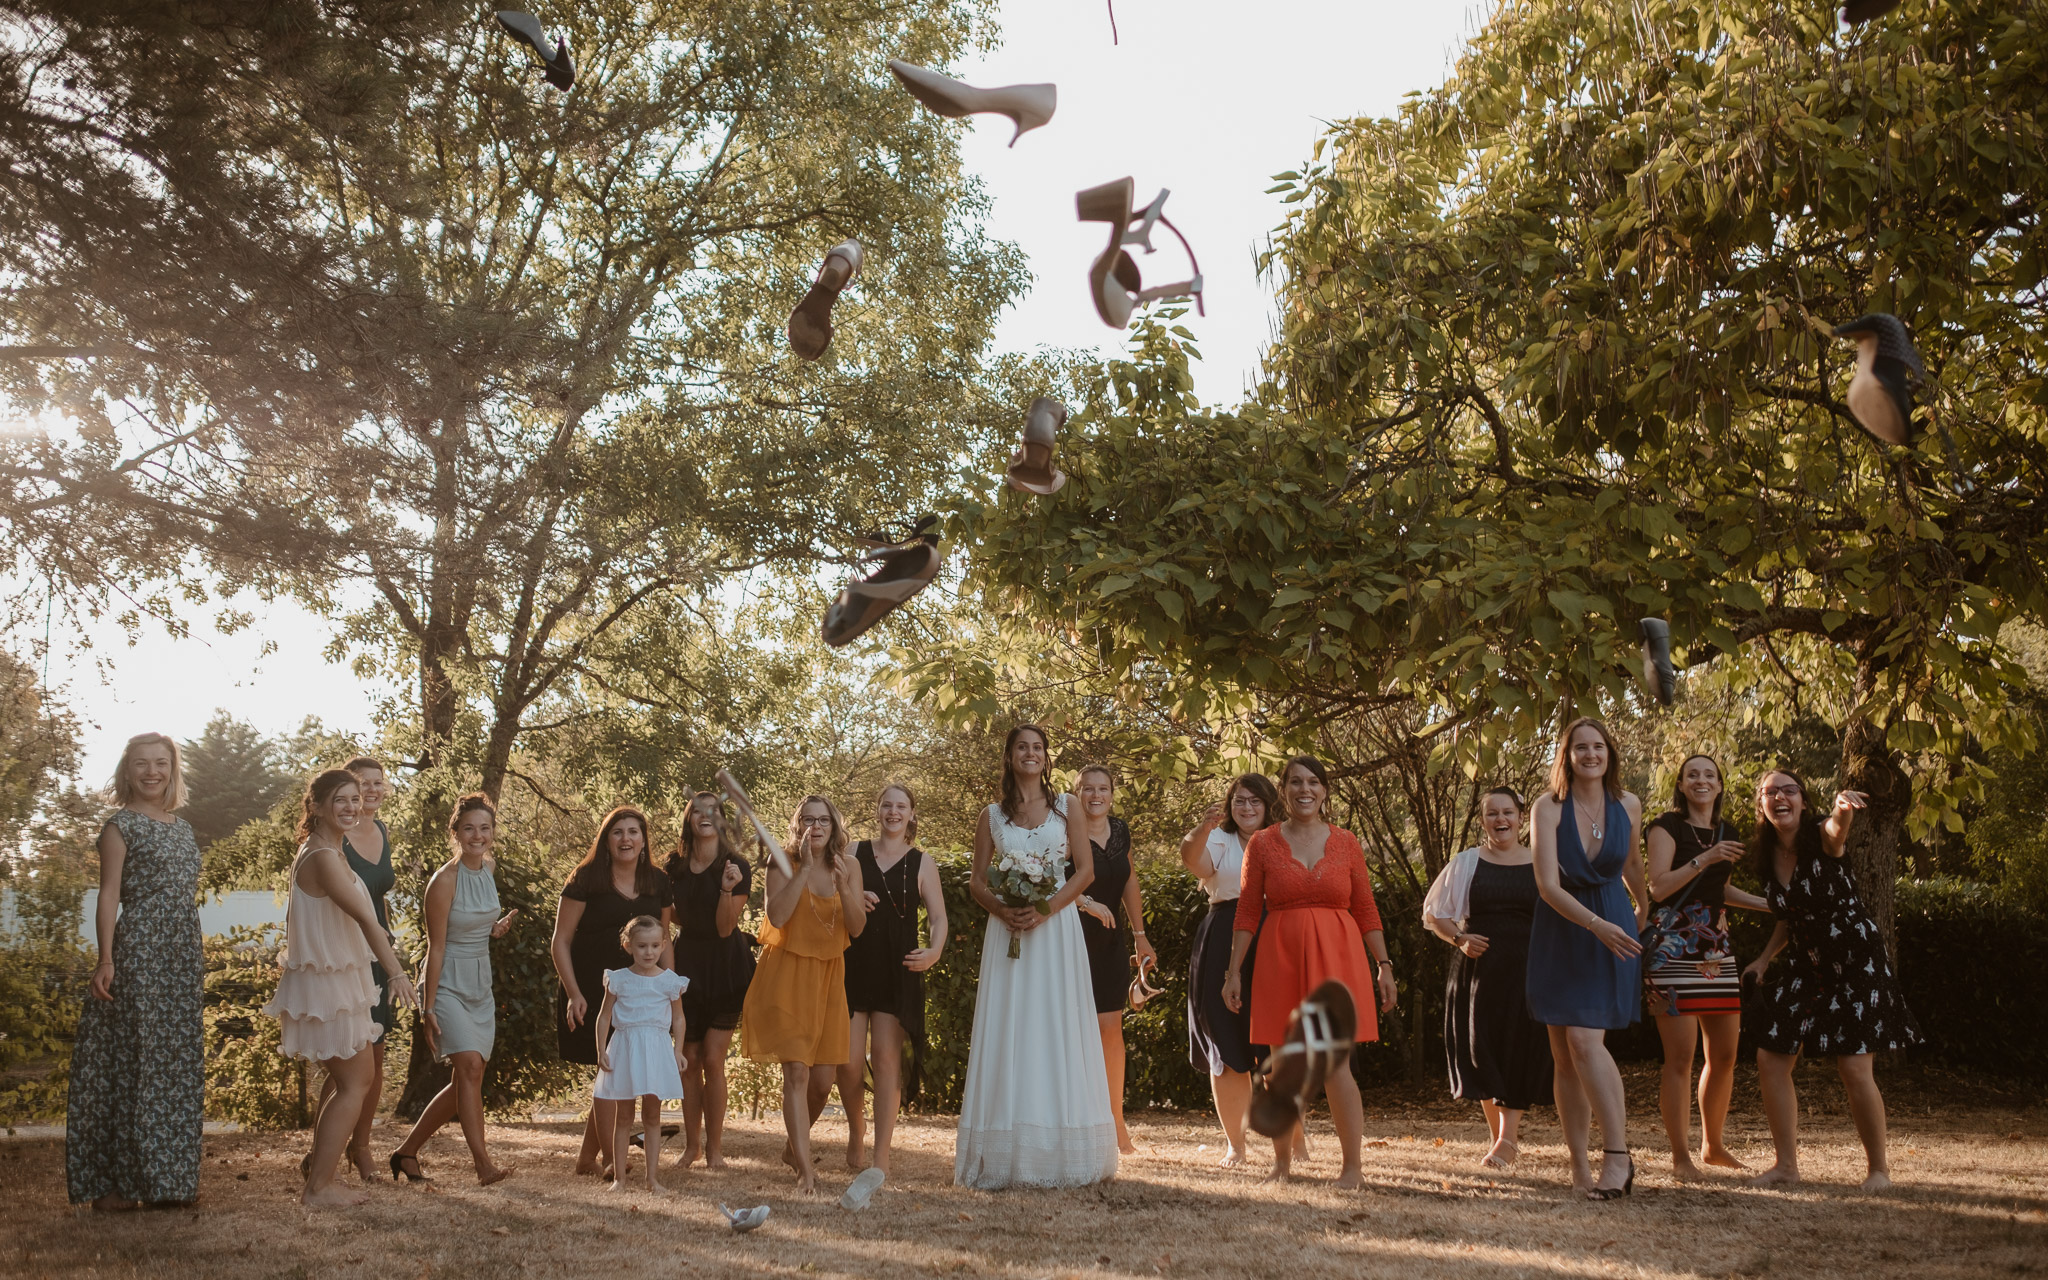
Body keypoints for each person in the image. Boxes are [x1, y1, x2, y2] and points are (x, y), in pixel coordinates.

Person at [954, 725, 1119, 1190]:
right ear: (1009, 757)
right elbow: (976, 882)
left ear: (1046, 758)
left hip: (1055, 931)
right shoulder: (991, 815)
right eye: (1022, 747)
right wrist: (1004, 909)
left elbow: (1084, 872)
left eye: (1038, 748)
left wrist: (1045, 908)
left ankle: (1062, 1149)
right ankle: (1006, 1149)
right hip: (1007, 931)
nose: (1031, 754)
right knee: (1012, 1027)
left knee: (1055, 1025)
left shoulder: (1067, 807)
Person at [1221, 756, 1395, 1189]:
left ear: (1325, 790)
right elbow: (1246, 910)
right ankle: (1282, 1165)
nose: (1305, 789)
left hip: (1338, 957)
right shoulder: (1262, 843)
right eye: (1296, 781)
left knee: (1336, 1066)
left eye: (1314, 782)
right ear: (1283, 789)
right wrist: (1233, 971)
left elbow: (1365, 907)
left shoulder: (1347, 842)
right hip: (1280, 956)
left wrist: (1384, 965)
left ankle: (1352, 1168)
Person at [1743, 770, 1921, 1192]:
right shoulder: (1766, 857)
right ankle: (1786, 1165)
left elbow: (1836, 830)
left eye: (1790, 791)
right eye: (1771, 792)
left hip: (1857, 963)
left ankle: (1878, 1170)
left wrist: (1842, 809)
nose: (1780, 797)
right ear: (1761, 805)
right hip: (1808, 966)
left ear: (1804, 802)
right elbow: (1790, 917)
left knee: (1855, 1068)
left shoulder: (1821, 840)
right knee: (1770, 1056)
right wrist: (1765, 959)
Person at [262, 768, 418, 1208]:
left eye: (355, 798)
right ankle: (319, 1188)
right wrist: (397, 973)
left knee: (354, 1079)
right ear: (315, 806)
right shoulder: (323, 857)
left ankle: (321, 1176)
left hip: (338, 978)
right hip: (328, 983)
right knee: (355, 1082)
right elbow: (367, 921)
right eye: (340, 800)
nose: (351, 806)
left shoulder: (332, 849)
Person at [66, 732, 205, 1211]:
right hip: (141, 949)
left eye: (161, 763)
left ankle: (167, 1182)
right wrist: (106, 958)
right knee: (137, 1064)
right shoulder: (119, 826)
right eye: (142, 764)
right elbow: (108, 894)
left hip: (182, 953)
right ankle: (118, 1186)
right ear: (127, 771)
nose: (152, 772)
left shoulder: (182, 828)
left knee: (176, 1064)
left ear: (172, 769)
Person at [1526, 717, 1647, 1201]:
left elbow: (1633, 862)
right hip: (1564, 926)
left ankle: (1617, 1157)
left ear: (1610, 753)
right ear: (1567, 755)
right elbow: (1546, 885)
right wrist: (1594, 924)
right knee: (1564, 1056)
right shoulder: (1546, 808)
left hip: (1614, 926)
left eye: (1598, 746)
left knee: (1583, 1040)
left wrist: (1642, 905)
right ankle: (1578, 1165)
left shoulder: (1630, 804)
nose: (1590, 754)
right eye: (1581, 747)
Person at [1642, 753, 1769, 1178]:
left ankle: (1713, 1146)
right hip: (1672, 947)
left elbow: (1720, 888)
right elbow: (1659, 887)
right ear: (1680, 784)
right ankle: (1680, 1158)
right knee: (1680, 1057)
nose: (1701, 780)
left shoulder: (1726, 831)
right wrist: (1707, 856)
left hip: (1715, 949)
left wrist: (1768, 905)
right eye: (1692, 774)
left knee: (1726, 1055)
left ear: (1718, 786)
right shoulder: (1666, 827)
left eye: (1709, 775)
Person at [387, 793, 518, 1185]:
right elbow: (437, 946)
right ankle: (483, 1166)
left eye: (485, 828)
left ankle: (406, 1152)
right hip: (446, 982)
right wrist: (427, 1008)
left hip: (480, 979)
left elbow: (477, 923)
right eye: (469, 828)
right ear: (456, 833)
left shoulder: (489, 868)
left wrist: (494, 929)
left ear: (492, 833)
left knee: (466, 1077)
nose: (478, 835)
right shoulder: (443, 881)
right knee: (471, 1067)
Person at [1423, 786, 1553, 1170]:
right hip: (1478, 974)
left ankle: (1506, 1140)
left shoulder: (1542, 862)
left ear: (1521, 817)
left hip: (1528, 972)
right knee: (1482, 1052)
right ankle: (1501, 1139)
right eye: (1492, 814)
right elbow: (1436, 914)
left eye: (1508, 812)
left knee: (1518, 1050)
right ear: (1483, 822)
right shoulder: (1466, 862)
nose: (1501, 820)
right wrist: (1460, 939)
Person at [741, 795, 865, 1196]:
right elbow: (776, 916)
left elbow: (858, 927)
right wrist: (805, 870)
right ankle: (805, 1172)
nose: (816, 825)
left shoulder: (850, 865)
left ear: (834, 825)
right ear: (798, 825)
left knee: (823, 1080)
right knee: (796, 1071)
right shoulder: (782, 862)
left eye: (823, 819)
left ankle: (793, 1149)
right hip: (787, 974)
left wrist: (845, 885)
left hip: (830, 977)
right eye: (807, 819)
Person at [550, 806, 673, 1179]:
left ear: (643, 839)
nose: (626, 839)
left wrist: (669, 987)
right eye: (617, 832)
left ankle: (588, 1160)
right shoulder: (585, 879)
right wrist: (573, 993)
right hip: (591, 988)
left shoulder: (658, 882)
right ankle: (609, 1161)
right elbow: (561, 940)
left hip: (642, 993)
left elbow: (665, 940)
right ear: (606, 839)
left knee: (617, 1069)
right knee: (609, 1069)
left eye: (633, 832)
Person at [838, 782, 947, 1177]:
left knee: (886, 1061)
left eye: (901, 806)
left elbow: (938, 918)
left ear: (911, 814)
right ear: (878, 810)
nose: (894, 812)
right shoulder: (852, 852)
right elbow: (831, 899)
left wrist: (934, 952)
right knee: (847, 1063)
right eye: (887, 805)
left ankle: (880, 1157)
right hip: (853, 964)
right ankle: (856, 1130)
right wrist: (853, 896)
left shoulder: (923, 862)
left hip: (898, 967)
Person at [1180, 772, 1281, 1169]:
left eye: (1255, 800)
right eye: (1239, 800)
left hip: (1275, 935)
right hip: (1223, 934)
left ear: (1269, 804)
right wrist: (1201, 829)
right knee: (1225, 1039)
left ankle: (1291, 1138)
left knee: (1278, 1042)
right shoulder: (1218, 839)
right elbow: (1195, 862)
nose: (1247, 807)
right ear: (1229, 805)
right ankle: (1236, 1145)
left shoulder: (1285, 839)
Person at [314, 754, 397, 1183]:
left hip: (379, 952)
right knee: (347, 1058)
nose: (371, 790)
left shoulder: (381, 830)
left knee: (375, 1057)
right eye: (363, 783)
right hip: (346, 958)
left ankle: (361, 1148)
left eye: (378, 783)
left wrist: (390, 941)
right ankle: (321, 1155)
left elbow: (376, 895)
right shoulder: (333, 837)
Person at [662, 791, 756, 1170]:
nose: (705, 816)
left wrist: (726, 889)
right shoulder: (672, 868)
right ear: (688, 819)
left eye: (713, 811)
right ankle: (692, 1147)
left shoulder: (737, 866)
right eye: (697, 810)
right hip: (686, 968)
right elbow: (671, 920)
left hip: (728, 967)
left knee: (714, 1058)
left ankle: (715, 1150)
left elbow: (723, 928)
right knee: (690, 1059)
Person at [1070, 764, 1156, 1155]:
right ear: (1076, 793)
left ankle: (1116, 1122)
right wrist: (1083, 903)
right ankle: (1074, 1123)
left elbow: (1130, 880)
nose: (1095, 795)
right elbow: (1049, 878)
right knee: (1071, 1033)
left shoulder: (1120, 831)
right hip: (1069, 939)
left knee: (1110, 1031)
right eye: (1087, 788)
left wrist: (1140, 936)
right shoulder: (1064, 829)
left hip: (1109, 941)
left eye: (1102, 788)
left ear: (1112, 793)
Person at [593, 916, 690, 1193]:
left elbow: (679, 1018)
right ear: (628, 946)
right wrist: (601, 1049)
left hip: (656, 1050)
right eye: (642, 946)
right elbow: (604, 1016)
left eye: (655, 946)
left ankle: (652, 1179)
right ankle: (619, 1179)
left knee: (652, 1116)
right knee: (623, 1116)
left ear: (663, 946)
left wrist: (678, 1049)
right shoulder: (618, 979)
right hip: (625, 1049)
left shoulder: (670, 981)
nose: (649, 952)